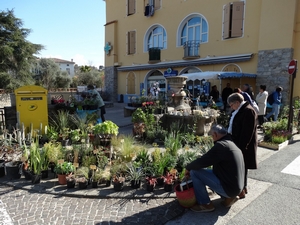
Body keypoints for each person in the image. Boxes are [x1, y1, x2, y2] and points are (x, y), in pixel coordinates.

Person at [185, 124, 245, 212]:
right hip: (237, 187)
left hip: (229, 189)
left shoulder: (221, 146)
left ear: (215, 135)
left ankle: (205, 204)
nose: (212, 138)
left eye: (211, 136)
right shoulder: (231, 143)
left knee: (195, 172)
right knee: (208, 171)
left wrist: (188, 168)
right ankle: (228, 198)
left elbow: (202, 161)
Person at [227, 93, 258, 199]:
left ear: (237, 102)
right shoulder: (239, 110)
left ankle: (242, 189)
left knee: (241, 168)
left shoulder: (248, 111)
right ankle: (242, 189)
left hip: (243, 146)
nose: (231, 107)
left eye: (231, 105)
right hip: (237, 144)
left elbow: (247, 133)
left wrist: (240, 148)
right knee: (240, 167)